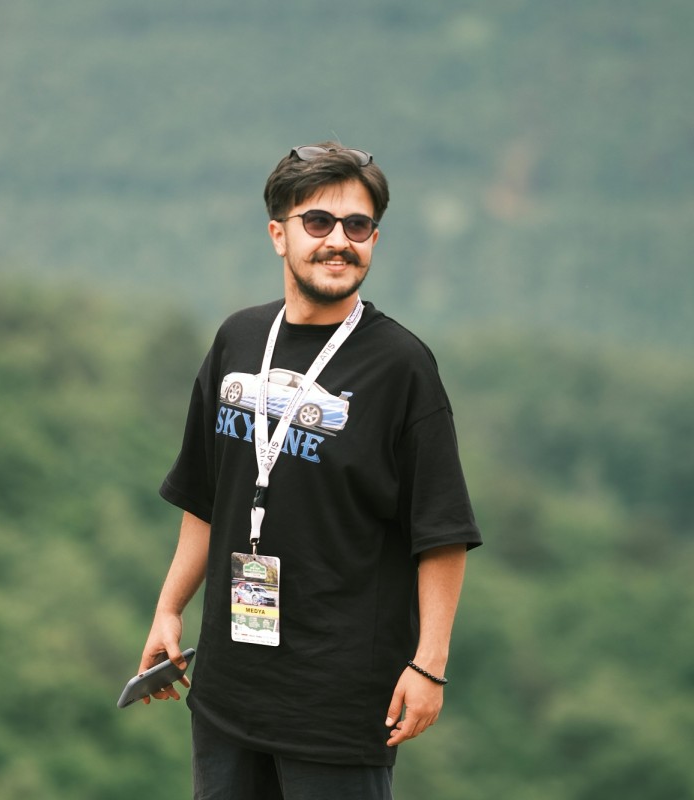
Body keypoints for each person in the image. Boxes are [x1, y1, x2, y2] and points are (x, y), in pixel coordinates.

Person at [138, 142, 482, 800]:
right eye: (318, 221)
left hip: (338, 706)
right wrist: (168, 609)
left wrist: (429, 665)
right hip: (226, 694)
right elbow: (205, 496)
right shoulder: (238, 341)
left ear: (374, 239)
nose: (339, 241)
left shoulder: (401, 367)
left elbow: (441, 530)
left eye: (358, 225)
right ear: (279, 234)